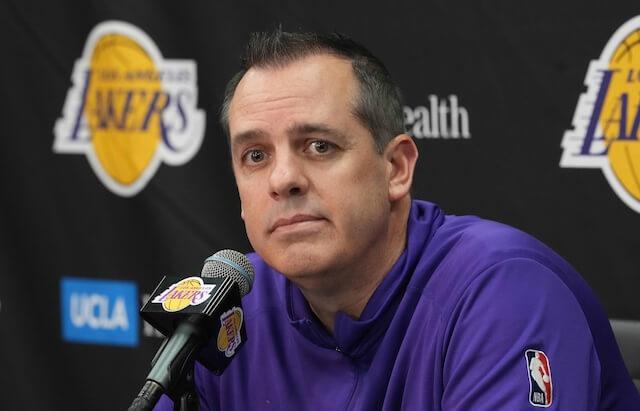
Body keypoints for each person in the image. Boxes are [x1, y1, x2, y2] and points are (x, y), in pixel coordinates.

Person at [155, 30, 640, 410]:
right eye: (256, 155)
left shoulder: (504, 291)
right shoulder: (229, 310)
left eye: (319, 146)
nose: (283, 179)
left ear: (396, 168)